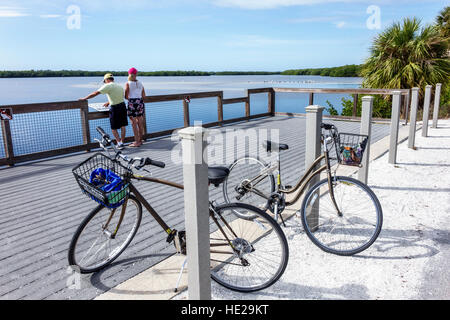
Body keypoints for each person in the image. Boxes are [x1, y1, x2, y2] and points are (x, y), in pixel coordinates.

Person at [79, 73, 128, 149]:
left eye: (104, 81)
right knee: (123, 126)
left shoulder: (107, 85)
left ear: (106, 80)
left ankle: (119, 143)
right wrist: (109, 102)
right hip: (123, 106)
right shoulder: (119, 86)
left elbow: (95, 93)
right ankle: (122, 142)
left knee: (113, 127)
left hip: (115, 108)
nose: (104, 83)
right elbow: (119, 96)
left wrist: (85, 98)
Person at [125, 67, 146, 147]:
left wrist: (132, 99)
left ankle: (136, 142)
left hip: (132, 103)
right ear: (136, 74)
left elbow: (126, 96)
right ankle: (140, 140)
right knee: (140, 122)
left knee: (133, 123)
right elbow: (144, 95)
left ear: (129, 74)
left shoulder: (128, 83)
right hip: (140, 102)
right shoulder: (140, 83)